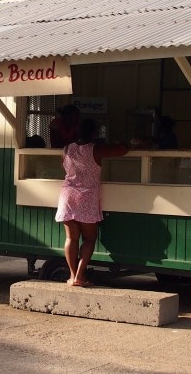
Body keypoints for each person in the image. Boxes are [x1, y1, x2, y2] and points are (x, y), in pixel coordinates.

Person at [54, 118, 128, 286]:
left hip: (67, 195)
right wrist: (125, 142)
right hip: (86, 197)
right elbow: (122, 150)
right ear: (94, 133)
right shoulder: (96, 149)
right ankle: (80, 275)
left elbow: (64, 167)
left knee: (71, 239)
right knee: (89, 239)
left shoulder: (66, 149)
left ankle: (72, 276)